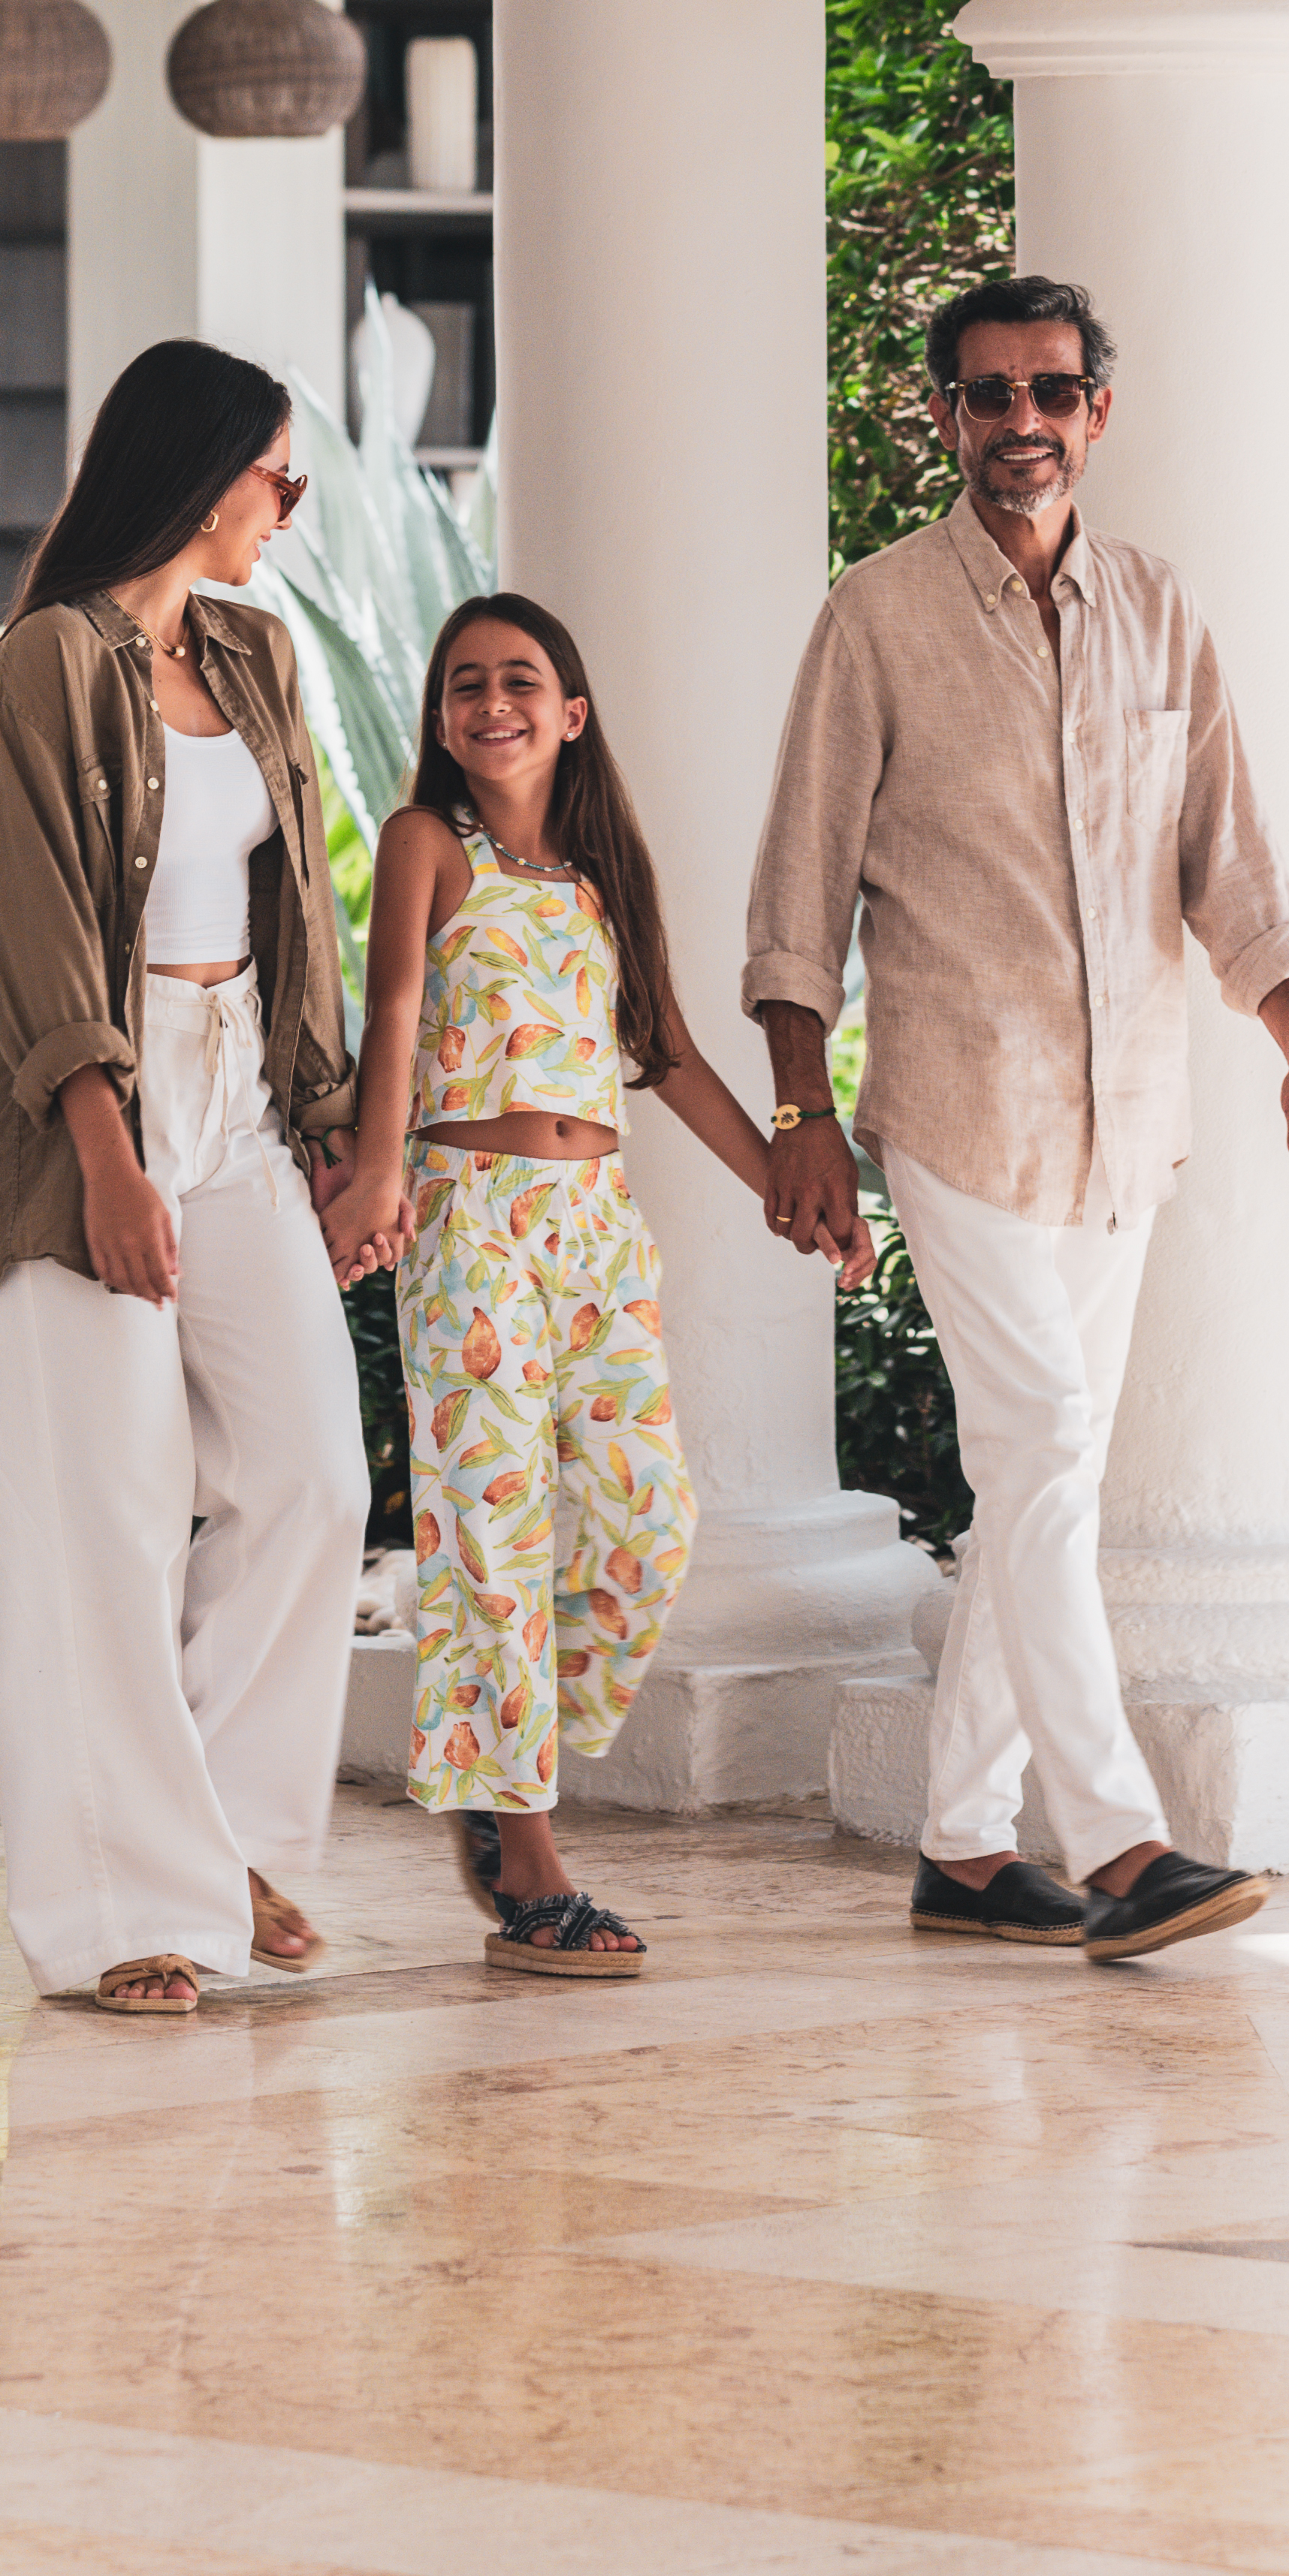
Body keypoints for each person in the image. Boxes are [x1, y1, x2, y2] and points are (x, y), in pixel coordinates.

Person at [742, 273, 1289, 1965]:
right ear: (943, 416)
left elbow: (1227, 860)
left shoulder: (1161, 610)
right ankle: (1119, 1835)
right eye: (987, 391)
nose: (1020, 418)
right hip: (957, 1106)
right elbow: (795, 884)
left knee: (1046, 1472)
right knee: (1035, 1449)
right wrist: (801, 1107)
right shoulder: (870, 617)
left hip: (1129, 1120)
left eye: (1051, 389)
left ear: (1097, 412)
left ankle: (959, 1842)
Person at [0, 341, 373, 2022]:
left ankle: (235, 1837)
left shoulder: (253, 655)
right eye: (279, 473)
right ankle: (120, 1903)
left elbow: (305, 902)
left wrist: (328, 1116)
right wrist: (106, 1156)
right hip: (86, 1114)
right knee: (99, 1513)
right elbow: (34, 926)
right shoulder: (48, 663)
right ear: (202, 474)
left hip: (241, 1094)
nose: (292, 506)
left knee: (313, 1475)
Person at [350, 594, 773, 1977]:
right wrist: (374, 1172)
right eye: (464, 683)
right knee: (494, 1537)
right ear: (440, 719)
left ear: (571, 713)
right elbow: (397, 1013)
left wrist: (786, 1182)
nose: (492, 702)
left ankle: (494, 1762)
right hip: (471, 1219)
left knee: (649, 1521)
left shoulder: (599, 880)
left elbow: (669, 1054)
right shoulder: (427, 845)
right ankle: (525, 1845)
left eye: (521, 680)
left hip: (596, 1228)